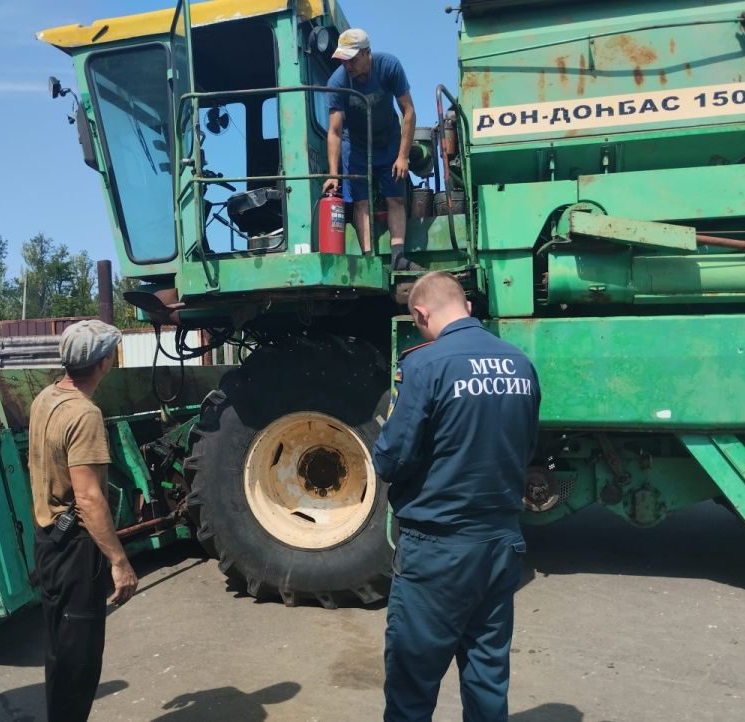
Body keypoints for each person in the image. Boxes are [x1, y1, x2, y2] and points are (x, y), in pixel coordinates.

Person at [373, 272, 541, 722]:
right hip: (501, 545)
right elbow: (526, 448)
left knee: (412, 683)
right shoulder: (520, 364)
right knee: (487, 673)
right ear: (466, 306)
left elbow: (392, 459)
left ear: (422, 313)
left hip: (437, 551)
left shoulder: (425, 366)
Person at [29, 319, 138, 722]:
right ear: (105, 361)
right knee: (80, 658)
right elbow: (89, 499)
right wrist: (119, 561)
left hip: (50, 539)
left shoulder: (46, 398)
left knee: (60, 647)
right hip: (74, 545)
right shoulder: (84, 414)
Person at [322, 28, 424, 272]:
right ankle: (369, 258)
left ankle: (398, 256)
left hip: (389, 141)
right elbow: (334, 132)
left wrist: (402, 156)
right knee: (361, 202)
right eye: (343, 61)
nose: (348, 66)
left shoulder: (389, 66)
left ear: (367, 53)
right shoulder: (337, 82)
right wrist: (333, 173)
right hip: (355, 146)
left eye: (352, 59)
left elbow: (408, 111)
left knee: (396, 198)